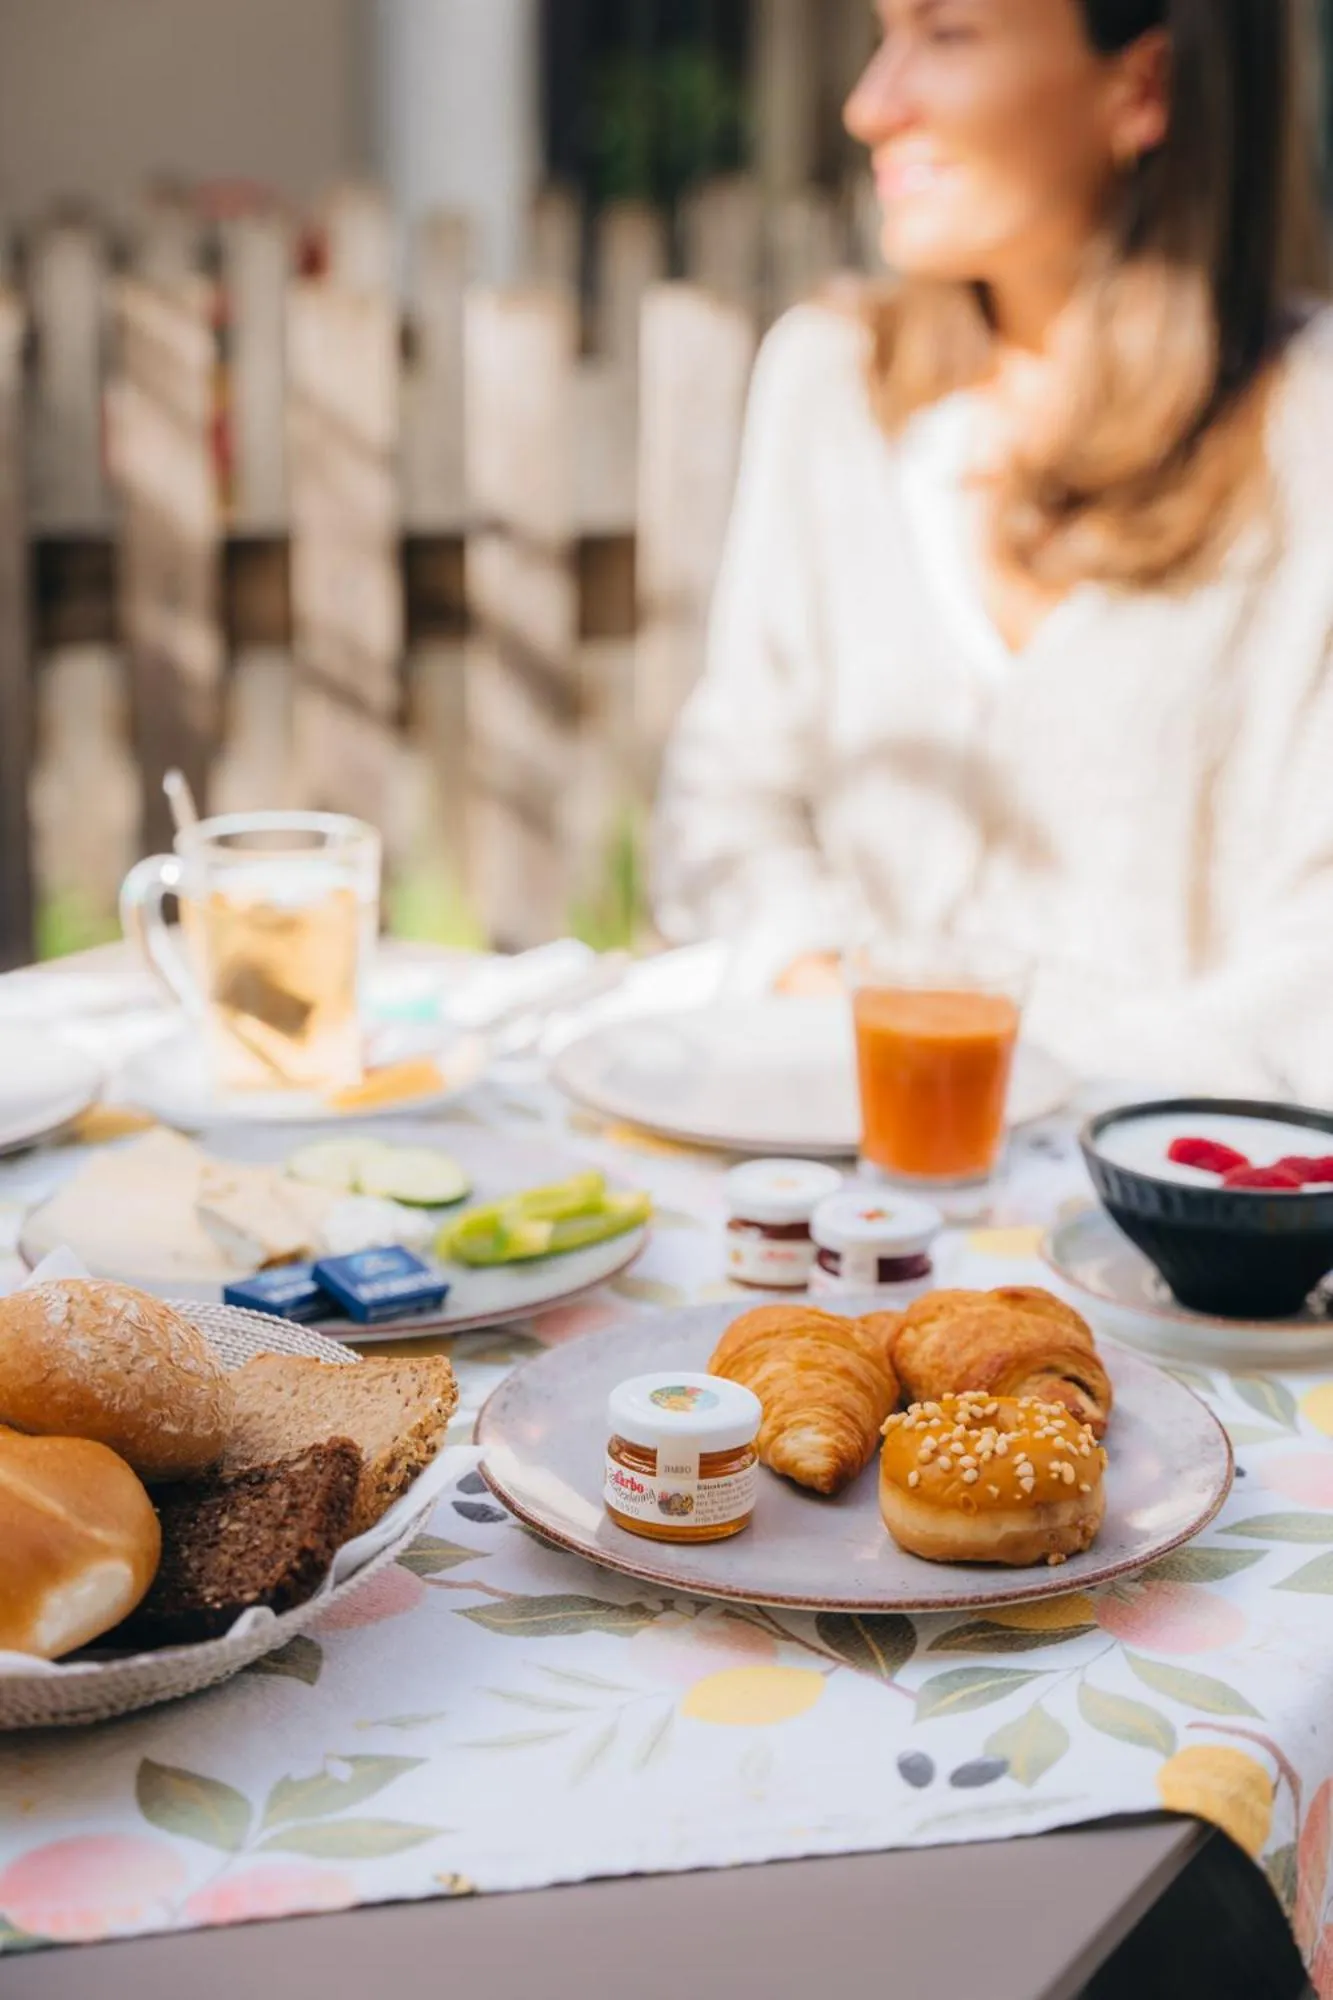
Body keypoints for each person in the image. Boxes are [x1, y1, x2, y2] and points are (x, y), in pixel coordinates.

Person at [652, 0, 1333, 1101]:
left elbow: (1315, 975)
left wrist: (1012, 1076)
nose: (870, 105)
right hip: (839, 1184)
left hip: (1160, 1237)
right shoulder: (830, 382)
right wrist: (819, 984)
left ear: (1142, 88)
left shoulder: (1308, 434)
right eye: (884, 35)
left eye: (947, 34)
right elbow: (724, 807)